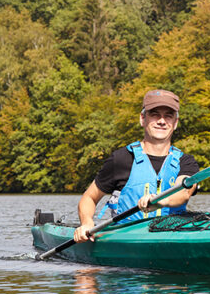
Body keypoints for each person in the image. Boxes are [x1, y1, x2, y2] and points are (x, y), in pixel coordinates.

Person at [73, 89, 199, 243]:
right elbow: (89, 198)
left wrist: (159, 201)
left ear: (175, 123)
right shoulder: (121, 159)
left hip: (173, 235)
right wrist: (87, 223)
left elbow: (184, 192)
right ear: (142, 119)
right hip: (126, 238)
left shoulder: (186, 162)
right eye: (154, 114)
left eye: (168, 116)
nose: (162, 121)